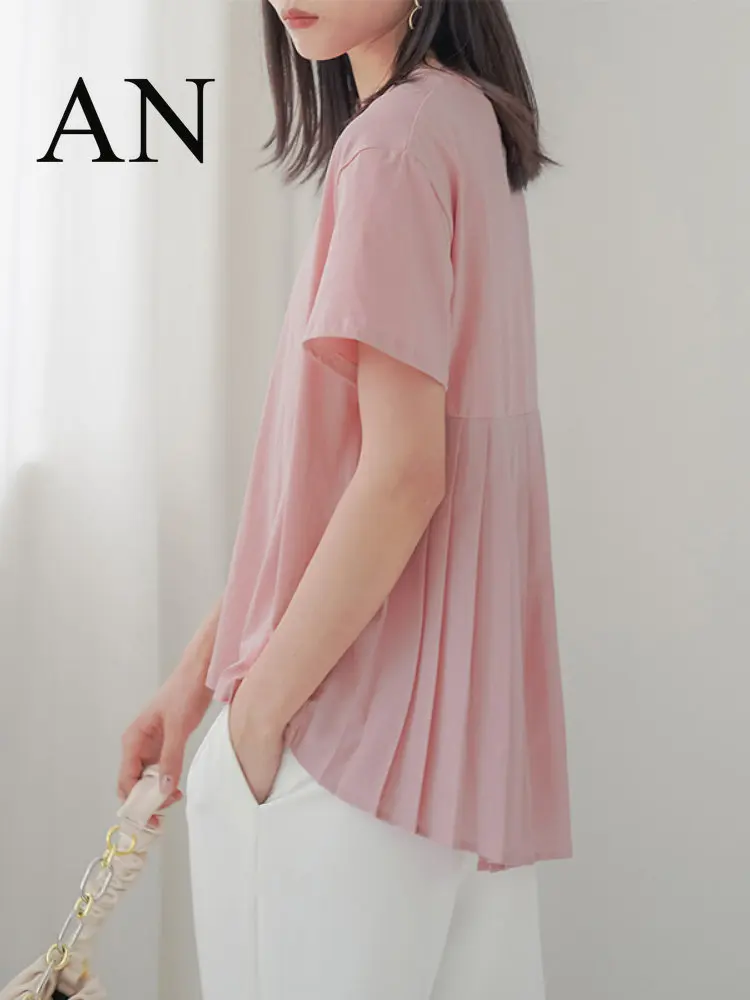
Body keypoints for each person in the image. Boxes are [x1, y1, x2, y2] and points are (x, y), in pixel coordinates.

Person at [118, 0, 573, 996]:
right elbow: (339, 495)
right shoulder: (463, 122)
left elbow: (404, 476)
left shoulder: (390, 147)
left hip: (342, 751)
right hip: (463, 763)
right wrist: (198, 678)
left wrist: (256, 716)